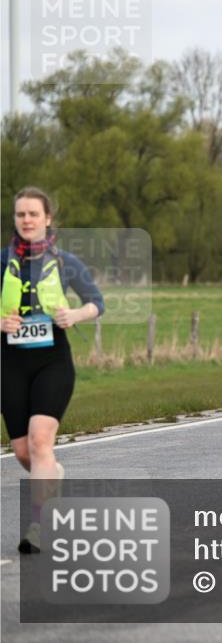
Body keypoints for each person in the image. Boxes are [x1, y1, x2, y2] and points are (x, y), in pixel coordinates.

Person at [2, 187, 105, 553]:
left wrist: (73, 314)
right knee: (25, 453)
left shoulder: (65, 262)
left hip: (53, 361)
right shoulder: (2, 262)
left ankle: (40, 526)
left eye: (33, 214)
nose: (26, 220)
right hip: (10, 365)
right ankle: (53, 477)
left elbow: (97, 303)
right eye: (20, 215)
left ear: (47, 219)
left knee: (40, 440)